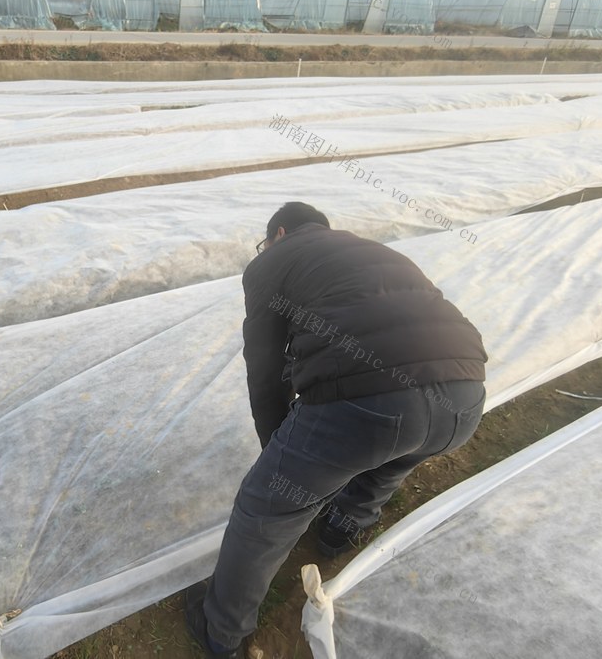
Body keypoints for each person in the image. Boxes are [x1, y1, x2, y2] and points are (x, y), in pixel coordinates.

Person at [184, 202, 487, 658]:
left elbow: (264, 370)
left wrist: (278, 454)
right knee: (388, 463)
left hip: (372, 404)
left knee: (266, 510)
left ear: (279, 233)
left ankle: (219, 630)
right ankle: (338, 532)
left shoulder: (273, 260)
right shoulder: (369, 251)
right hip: (465, 398)